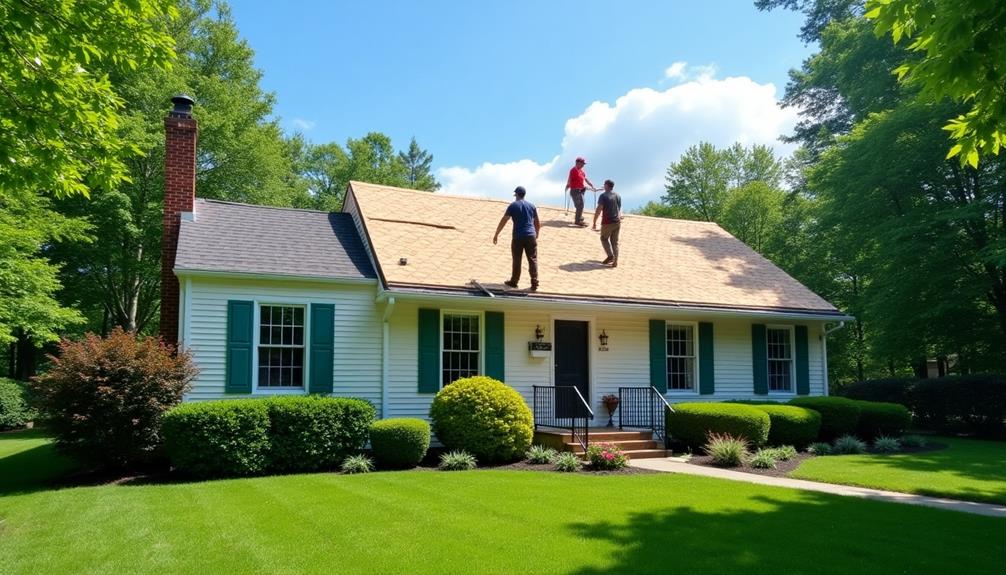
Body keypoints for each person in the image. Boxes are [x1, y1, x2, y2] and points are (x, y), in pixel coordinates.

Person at [493, 186, 541, 290]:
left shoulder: (513, 206)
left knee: (517, 259)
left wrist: (497, 233)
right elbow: (537, 222)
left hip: (518, 236)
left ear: (516, 195)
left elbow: (504, 220)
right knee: (532, 259)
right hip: (530, 236)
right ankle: (534, 281)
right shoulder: (532, 206)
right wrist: (536, 233)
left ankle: (514, 281)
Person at [592, 179, 622, 267]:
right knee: (614, 242)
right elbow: (619, 208)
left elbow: (599, 209)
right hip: (617, 222)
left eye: (604, 184)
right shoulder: (617, 195)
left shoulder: (603, 196)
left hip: (607, 222)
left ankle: (610, 256)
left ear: (606, 185)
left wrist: (594, 221)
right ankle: (615, 260)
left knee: (604, 238)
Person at [565, 156, 596, 226]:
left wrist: (590, 184)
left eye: (583, 164)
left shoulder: (581, 171)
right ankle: (578, 220)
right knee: (580, 205)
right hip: (575, 190)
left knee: (579, 205)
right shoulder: (573, 170)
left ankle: (579, 217)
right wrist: (567, 185)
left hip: (581, 190)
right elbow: (570, 178)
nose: (583, 165)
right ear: (577, 163)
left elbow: (585, 178)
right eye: (582, 163)